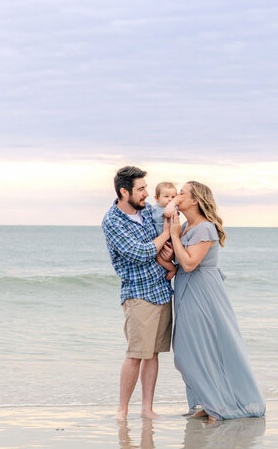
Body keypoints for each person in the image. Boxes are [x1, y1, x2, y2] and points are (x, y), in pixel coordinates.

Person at [164, 181, 265, 420]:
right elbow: (178, 265)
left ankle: (221, 406)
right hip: (186, 291)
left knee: (207, 347)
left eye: (182, 194)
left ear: (195, 200)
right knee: (186, 351)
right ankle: (208, 402)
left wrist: (175, 238)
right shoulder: (187, 226)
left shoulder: (205, 228)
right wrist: (170, 254)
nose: (177, 197)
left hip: (203, 292)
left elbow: (189, 264)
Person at [101, 166, 176, 421]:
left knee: (153, 354)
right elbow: (140, 253)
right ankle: (121, 411)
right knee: (135, 354)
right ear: (124, 192)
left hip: (162, 291)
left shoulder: (147, 212)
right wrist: (166, 235)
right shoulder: (112, 221)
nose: (146, 193)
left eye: (146, 187)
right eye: (141, 189)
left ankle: (147, 408)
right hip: (139, 294)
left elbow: (166, 217)